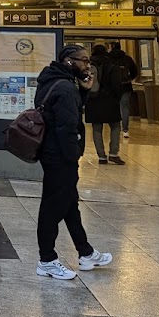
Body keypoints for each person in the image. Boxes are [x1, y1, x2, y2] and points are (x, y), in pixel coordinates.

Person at [34, 44, 114, 279]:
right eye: (84, 60)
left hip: (50, 152)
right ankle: (47, 260)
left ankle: (85, 252)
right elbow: (67, 126)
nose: (88, 65)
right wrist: (73, 156)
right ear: (69, 62)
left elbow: (63, 113)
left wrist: (84, 92)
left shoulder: (51, 81)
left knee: (70, 205)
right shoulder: (66, 88)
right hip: (60, 156)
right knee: (52, 208)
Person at [86, 44, 125, 165]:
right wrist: (117, 97)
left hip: (94, 99)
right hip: (110, 99)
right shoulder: (112, 65)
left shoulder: (88, 66)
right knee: (115, 126)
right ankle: (113, 153)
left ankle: (101, 156)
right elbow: (117, 84)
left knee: (97, 129)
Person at [107, 41, 140, 138]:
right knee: (124, 107)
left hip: (112, 87)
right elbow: (135, 71)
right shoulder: (127, 58)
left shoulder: (108, 59)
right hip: (126, 86)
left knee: (113, 107)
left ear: (111, 47)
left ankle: (115, 128)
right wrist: (129, 79)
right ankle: (125, 130)